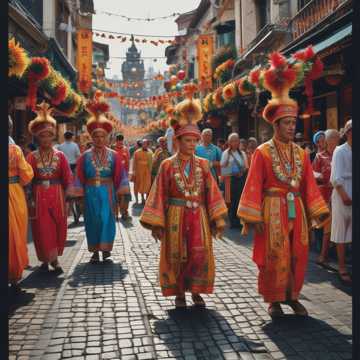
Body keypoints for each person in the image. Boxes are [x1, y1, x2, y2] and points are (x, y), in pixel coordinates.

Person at [237, 52, 329, 318]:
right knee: (274, 255)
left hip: (297, 210)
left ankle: (293, 296)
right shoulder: (263, 152)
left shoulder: (302, 154)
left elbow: (309, 184)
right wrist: (254, 216)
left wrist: (316, 212)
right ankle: (274, 300)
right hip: (272, 209)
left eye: (293, 122)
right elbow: (253, 184)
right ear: (276, 125)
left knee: (298, 254)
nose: (291, 127)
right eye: (287, 123)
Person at [140, 89, 228, 308]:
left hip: (199, 216)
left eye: (194, 140)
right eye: (187, 140)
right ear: (178, 140)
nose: (191, 144)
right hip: (175, 217)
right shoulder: (167, 165)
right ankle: (179, 292)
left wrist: (217, 218)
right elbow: (158, 193)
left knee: (199, 253)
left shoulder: (204, 165)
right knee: (176, 254)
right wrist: (156, 224)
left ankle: (196, 291)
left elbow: (212, 192)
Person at [76, 93, 127, 263]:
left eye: (102, 136)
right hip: (90, 192)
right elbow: (79, 176)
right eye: (96, 136)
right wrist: (79, 196)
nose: (99, 139)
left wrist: (122, 196)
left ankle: (106, 249)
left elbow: (120, 175)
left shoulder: (114, 156)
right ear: (91, 137)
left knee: (106, 218)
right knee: (92, 219)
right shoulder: (84, 156)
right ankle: (95, 251)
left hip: (108, 191)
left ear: (107, 137)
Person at [27, 102, 73, 274]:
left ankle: (54, 257)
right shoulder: (31, 156)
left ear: (53, 137)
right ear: (37, 138)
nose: (45, 139)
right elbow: (27, 177)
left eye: (48, 136)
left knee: (58, 226)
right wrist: (28, 195)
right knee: (41, 227)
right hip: (39, 196)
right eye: (42, 136)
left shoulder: (60, 156)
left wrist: (69, 194)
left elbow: (67, 176)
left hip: (58, 195)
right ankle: (48, 259)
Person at [8, 116, 34, 293]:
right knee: (15, 234)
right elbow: (26, 175)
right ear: (10, 129)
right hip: (13, 192)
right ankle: (14, 276)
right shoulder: (14, 150)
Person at [312, 129, 340, 269]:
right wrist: (324, 179)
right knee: (326, 226)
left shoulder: (340, 154)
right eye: (333, 139)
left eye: (337, 139)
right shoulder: (319, 157)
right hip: (325, 195)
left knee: (336, 225)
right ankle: (322, 255)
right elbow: (313, 175)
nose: (336, 141)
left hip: (340, 195)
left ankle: (329, 254)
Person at [330, 120, 352, 284]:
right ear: (349, 133)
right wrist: (344, 194)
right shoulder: (339, 150)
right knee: (341, 230)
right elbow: (335, 177)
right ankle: (342, 266)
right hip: (342, 192)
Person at [220, 133, 248, 229]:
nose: (234, 143)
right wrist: (232, 172)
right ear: (229, 142)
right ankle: (232, 221)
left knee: (239, 200)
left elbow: (246, 167)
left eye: (236, 140)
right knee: (231, 201)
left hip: (240, 180)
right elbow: (223, 168)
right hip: (230, 180)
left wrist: (242, 172)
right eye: (232, 141)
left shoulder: (242, 153)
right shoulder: (226, 154)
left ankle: (239, 220)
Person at [113, 133, 132, 221]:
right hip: (114, 174)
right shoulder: (112, 149)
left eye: (121, 141)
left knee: (125, 195)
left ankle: (124, 212)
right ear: (116, 141)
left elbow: (128, 162)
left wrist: (127, 174)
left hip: (123, 175)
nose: (120, 143)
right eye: (118, 141)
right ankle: (115, 214)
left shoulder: (125, 149)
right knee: (115, 194)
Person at [133, 138, 153, 204]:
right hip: (139, 171)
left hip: (147, 172)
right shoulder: (137, 152)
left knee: (147, 185)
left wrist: (151, 171)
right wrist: (134, 172)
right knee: (138, 185)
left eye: (146, 144)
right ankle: (138, 199)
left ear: (148, 144)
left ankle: (145, 199)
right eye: (143, 143)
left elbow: (151, 163)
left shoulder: (150, 152)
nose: (144, 145)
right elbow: (134, 162)